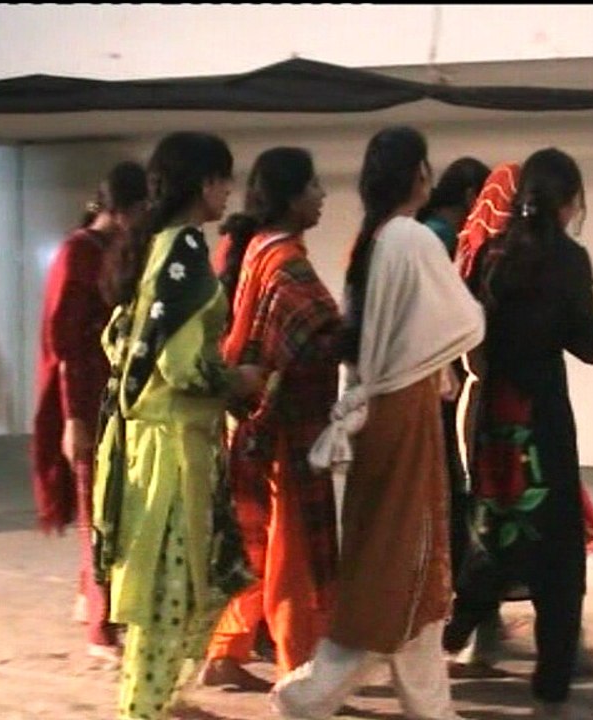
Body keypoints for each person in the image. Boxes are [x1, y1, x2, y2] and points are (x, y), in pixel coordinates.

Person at [271, 125, 484, 720]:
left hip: (386, 412)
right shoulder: (410, 239)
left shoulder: (372, 241)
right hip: (404, 410)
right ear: (416, 174)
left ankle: (428, 708)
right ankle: (307, 696)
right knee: (401, 566)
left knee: (406, 566)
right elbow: (465, 321)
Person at [91, 131, 265, 720]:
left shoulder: (151, 245)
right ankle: (144, 710)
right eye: (224, 179)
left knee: (168, 590)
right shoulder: (185, 252)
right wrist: (238, 379)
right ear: (205, 182)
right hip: (172, 451)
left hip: (146, 441)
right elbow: (183, 367)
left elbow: (117, 341)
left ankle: (157, 703)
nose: (229, 191)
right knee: (166, 591)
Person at [443, 147, 593, 717]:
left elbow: (472, 336)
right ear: (569, 200)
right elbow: (589, 348)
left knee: (492, 532)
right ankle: (552, 686)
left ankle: (451, 636)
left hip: (495, 415)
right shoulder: (569, 259)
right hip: (544, 416)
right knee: (559, 550)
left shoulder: (494, 255)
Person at [200, 147, 343, 690]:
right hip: (285, 425)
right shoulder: (286, 263)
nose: (322, 196)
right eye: (314, 186)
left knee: (257, 543)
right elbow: (312, 342)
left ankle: (227, 650)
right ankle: (298, 667)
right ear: (291, 196)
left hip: (253, 421)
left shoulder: (255, 247)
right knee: (290, 551)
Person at [30, 160, 148, 664]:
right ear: (124, 209)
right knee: (100, 515)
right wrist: (74, 418)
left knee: (113, 507)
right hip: (85, 400)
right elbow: (65, 342)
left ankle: (89, 599)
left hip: (116, 398)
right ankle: (102, 629)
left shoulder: (115, 249)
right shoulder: (78, 252)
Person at [416, 157, 491, 584]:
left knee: (445, 467)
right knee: (445, 470)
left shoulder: (431, 233)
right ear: (470, 196)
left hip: (433, 369)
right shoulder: (441, 238)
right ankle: (456, 572)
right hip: (434, 372)